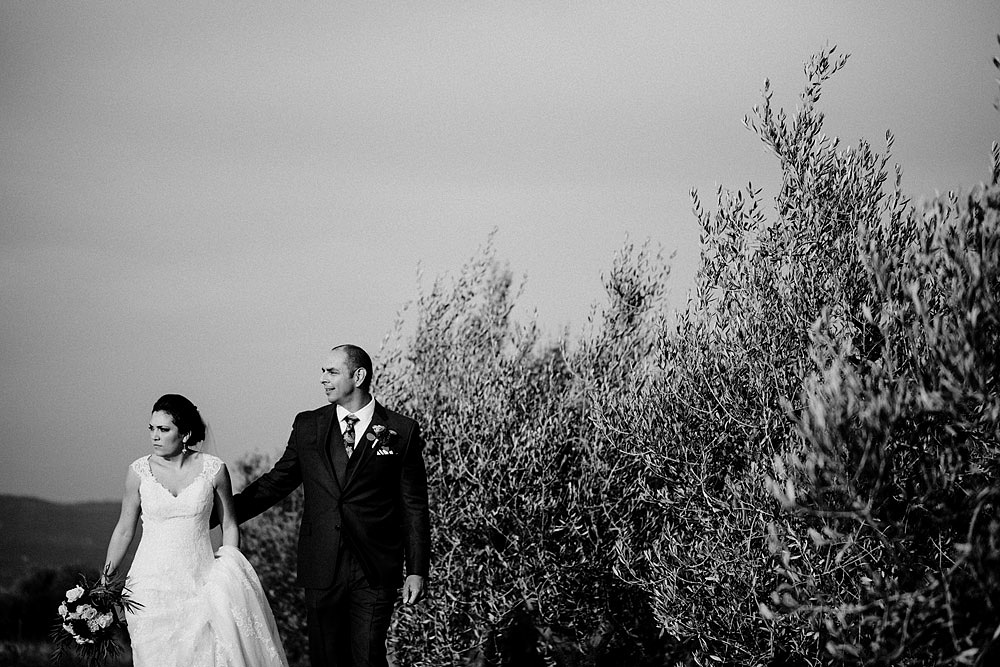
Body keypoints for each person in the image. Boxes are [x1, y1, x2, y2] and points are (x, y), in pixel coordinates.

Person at [233, 344, 431, 667]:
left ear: (359, 376)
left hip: (376, 567)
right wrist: (221, 513)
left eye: (332, 372)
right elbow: (276, 482)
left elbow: (413, 506)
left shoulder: (401, 431)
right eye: (322, 372)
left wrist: (418, 569)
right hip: (321, 564)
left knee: (368, 655)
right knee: (326, 658)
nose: (323, 379)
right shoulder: (308, 426)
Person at [102, 394, 288, 667]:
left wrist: (229, 571)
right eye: (151, 428)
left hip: (201, 584)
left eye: (164, 429)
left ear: (185, 434)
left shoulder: (214, 469)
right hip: (148, 590)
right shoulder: (138, 472)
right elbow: (123, 530)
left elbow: (229, 524)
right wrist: (105, 579)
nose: (155, 436)